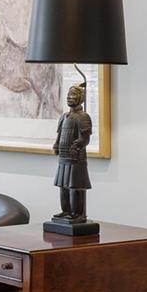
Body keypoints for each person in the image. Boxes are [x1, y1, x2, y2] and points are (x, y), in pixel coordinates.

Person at [52, 79, 92, 221]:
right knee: (63, 185)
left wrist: (77, 146)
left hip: (76, 159)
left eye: (74, 95)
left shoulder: (83, 117)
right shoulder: (64, 116)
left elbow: (85, 138)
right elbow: (59, 134)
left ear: (81, 98)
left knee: (76, 187)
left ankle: (78, 213)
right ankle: (66, 211)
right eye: (69, 95)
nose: (70, 97)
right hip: (63, 157)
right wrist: (56, 145)